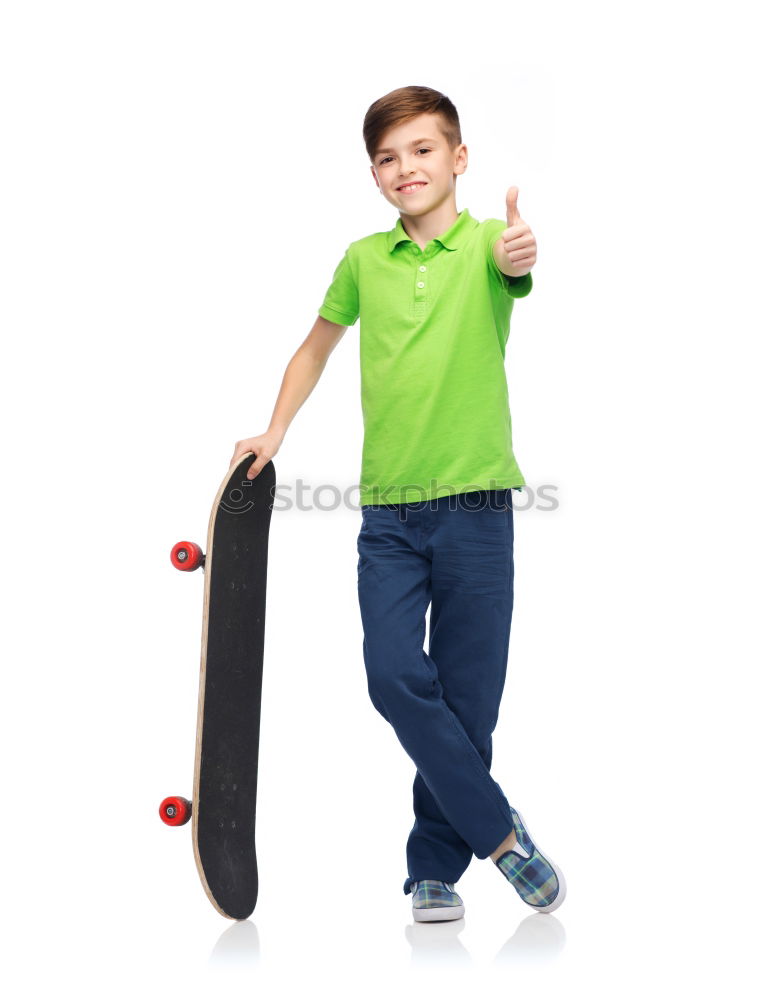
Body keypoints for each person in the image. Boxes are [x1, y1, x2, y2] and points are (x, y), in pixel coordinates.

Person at [230, 85, 566, 922]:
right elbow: (314, 348)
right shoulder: (362, 260)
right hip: (389, 515)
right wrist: (275, 432)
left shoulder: (488, 243)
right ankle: (500, 836)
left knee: (467, 696)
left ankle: (433, 869)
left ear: (457, 159)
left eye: (421, 150)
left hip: (478, 507)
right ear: (373, 173)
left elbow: (515, 261)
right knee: (392, 676)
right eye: (386, 157)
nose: (403, 168)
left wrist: (519, 251)